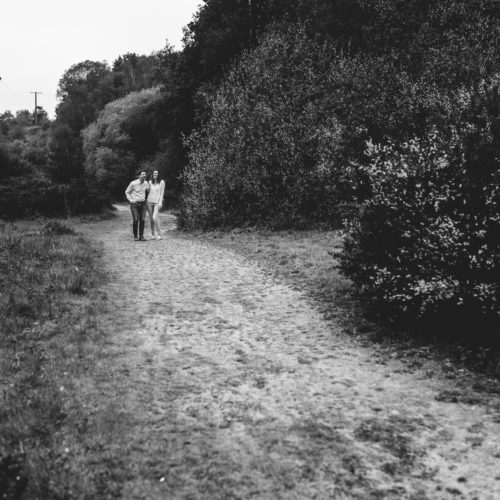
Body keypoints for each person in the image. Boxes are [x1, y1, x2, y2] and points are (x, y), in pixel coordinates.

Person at [125, 170, 149, 241]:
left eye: (145, 174)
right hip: (134, 204)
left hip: (143, 204)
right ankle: (135, 236)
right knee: (136, 220)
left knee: (142, 220)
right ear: (139, 176)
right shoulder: (133, 183)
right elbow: (127, 192)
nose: (145, 175)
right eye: (143, 174)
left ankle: (141, 236)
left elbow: (148, 191)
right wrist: (131, 200)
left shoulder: (146, 183)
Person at [146, 170, 165, 240]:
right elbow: (148, 191)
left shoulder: (162, 182)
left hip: (157, 202)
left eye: (156, 173)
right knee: (151, 219)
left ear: (159, 174)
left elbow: (162, 193)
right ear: (152, 174)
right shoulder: (150, 182)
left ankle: (159, 234)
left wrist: (161, 202)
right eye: (154, 173)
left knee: (155, 218)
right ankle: (153, 234)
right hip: (149, 201)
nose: (155, 174)